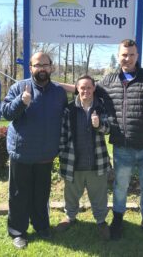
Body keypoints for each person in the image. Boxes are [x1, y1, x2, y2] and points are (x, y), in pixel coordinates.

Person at [58, 39, 143, 245]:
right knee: (120, 188)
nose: (128, 58)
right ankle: (117, 220)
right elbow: (84, 87)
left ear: (137, 56)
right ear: (119, 55)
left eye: (131, 54)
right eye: (124, 54)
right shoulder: (108, 80)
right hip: (122, 148)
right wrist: (54, 86)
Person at [0, 52, 67, 249]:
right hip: (22, 153)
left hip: (45, 155)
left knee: (41, 194)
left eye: (45, 65)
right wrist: (22, 101)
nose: (42, 69)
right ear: (30, 68)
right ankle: (18, 231)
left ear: (51, 67)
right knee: (19, 195)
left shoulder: (58, 92)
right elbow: (5, 113)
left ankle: (41, 226)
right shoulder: (19, 88)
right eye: (37, 65)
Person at [56, 75, 111, 240]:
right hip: (74, 161)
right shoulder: (69, 109)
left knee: (99, 195)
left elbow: (109, 129)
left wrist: (98, 125)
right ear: (77, 89)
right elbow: (62, 134)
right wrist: (61, 153)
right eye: (82, 88)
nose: (86, 91)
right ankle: (70, 217)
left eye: (89, 87)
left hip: (97, 162)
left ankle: (101, 221)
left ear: (94, 88)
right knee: (71, 194)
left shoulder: (101, 108)